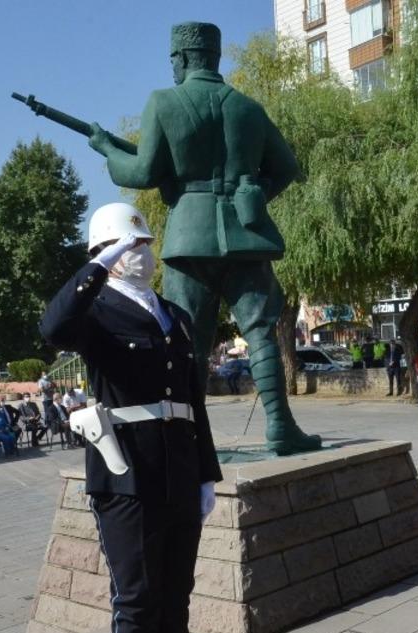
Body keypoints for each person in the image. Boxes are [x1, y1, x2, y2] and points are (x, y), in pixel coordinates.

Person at [40, 202, 234, 633]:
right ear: (103, 252)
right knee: (137, 597)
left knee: (177, 591)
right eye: (129, 244)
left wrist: (205, 472)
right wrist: (98, 265)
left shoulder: (173, 314)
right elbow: (52, 328)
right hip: (126, 470)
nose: (142, 253)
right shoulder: (94, 311)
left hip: (177, 466)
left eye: (145, 242)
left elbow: (192, 401)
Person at [87, 22, 319, 455]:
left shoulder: (164, 102)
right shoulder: (248, 108)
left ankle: (189, 437)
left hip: (189, 238)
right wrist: (254, 194)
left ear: (184, 57)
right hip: (246, 236)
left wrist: (106, 147)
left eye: (173, 59)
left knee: (186, 342)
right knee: (261, 332)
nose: (172, 67)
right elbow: (287, 167)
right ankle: (281, 428)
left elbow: (141, 173)